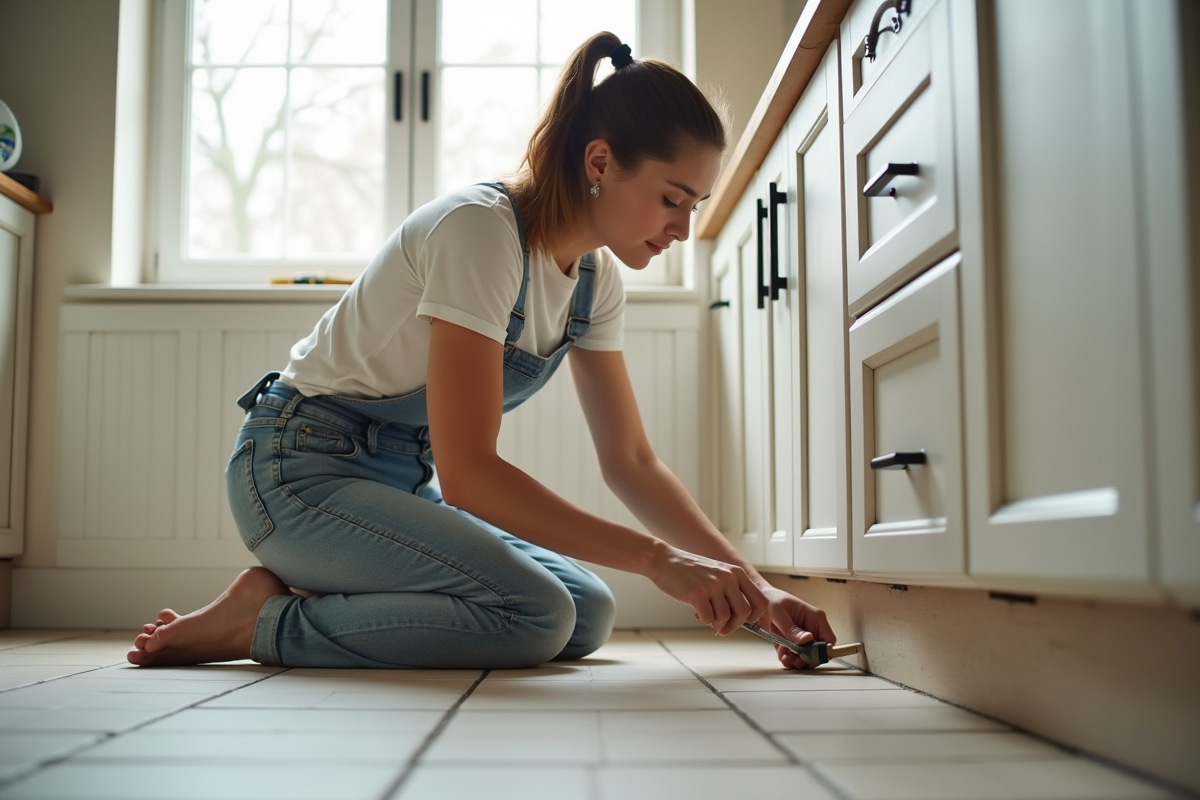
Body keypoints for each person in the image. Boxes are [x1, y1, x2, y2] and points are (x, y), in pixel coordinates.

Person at [128, 32, 835, 672]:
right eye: (673, 200)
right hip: (294, 470)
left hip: (397, 481)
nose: (684, 228)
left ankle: (307, 587)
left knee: (586, 612)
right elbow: (469, 473)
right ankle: (263, 622)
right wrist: (658, 560)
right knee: (535, 616)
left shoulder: (595, 282)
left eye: (696, 206)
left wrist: (757, 586)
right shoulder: (481, 232)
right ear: (600, 162)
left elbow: (633, 463)